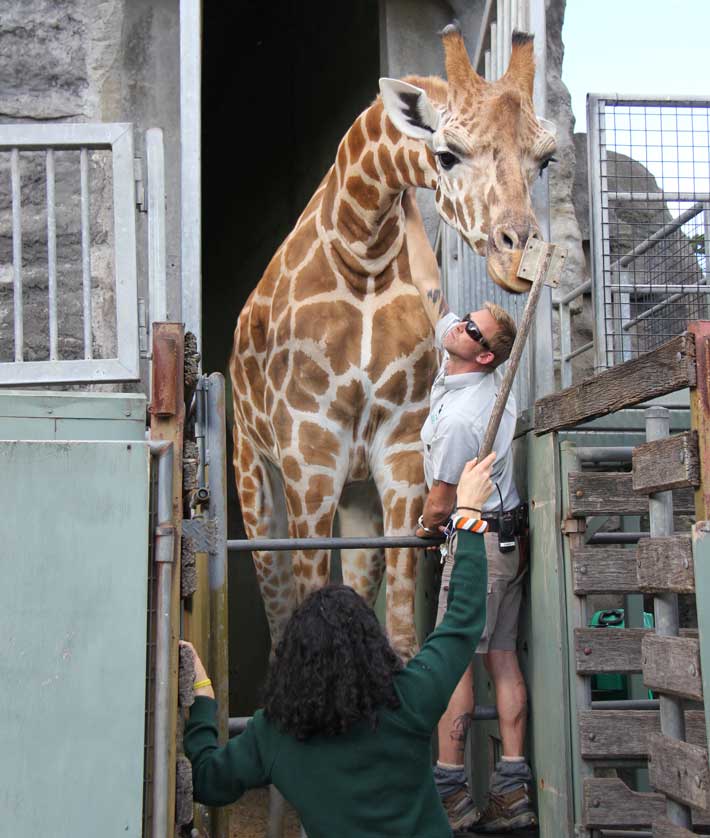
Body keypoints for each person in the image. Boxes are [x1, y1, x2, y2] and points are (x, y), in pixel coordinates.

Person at [181, 453, 496, 838]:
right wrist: (467, 514)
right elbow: (463, 620)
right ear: (373, 648)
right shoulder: (409, 699)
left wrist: (200, 695)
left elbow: (208, 780)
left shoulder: (274, 735)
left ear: (292, 662)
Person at [404, 189, 536, 834]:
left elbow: (439, 500)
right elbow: (431, 291)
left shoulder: (463, 416)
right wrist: (409, 210)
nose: (459, 324)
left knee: (452, 657)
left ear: (482, 355)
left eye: (472, 328)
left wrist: (426, 530)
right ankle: (514, 789)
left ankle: (451, 790)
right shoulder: (465, 367)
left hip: (480, 543)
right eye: (466, 320)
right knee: (502, 657)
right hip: (507, 542)